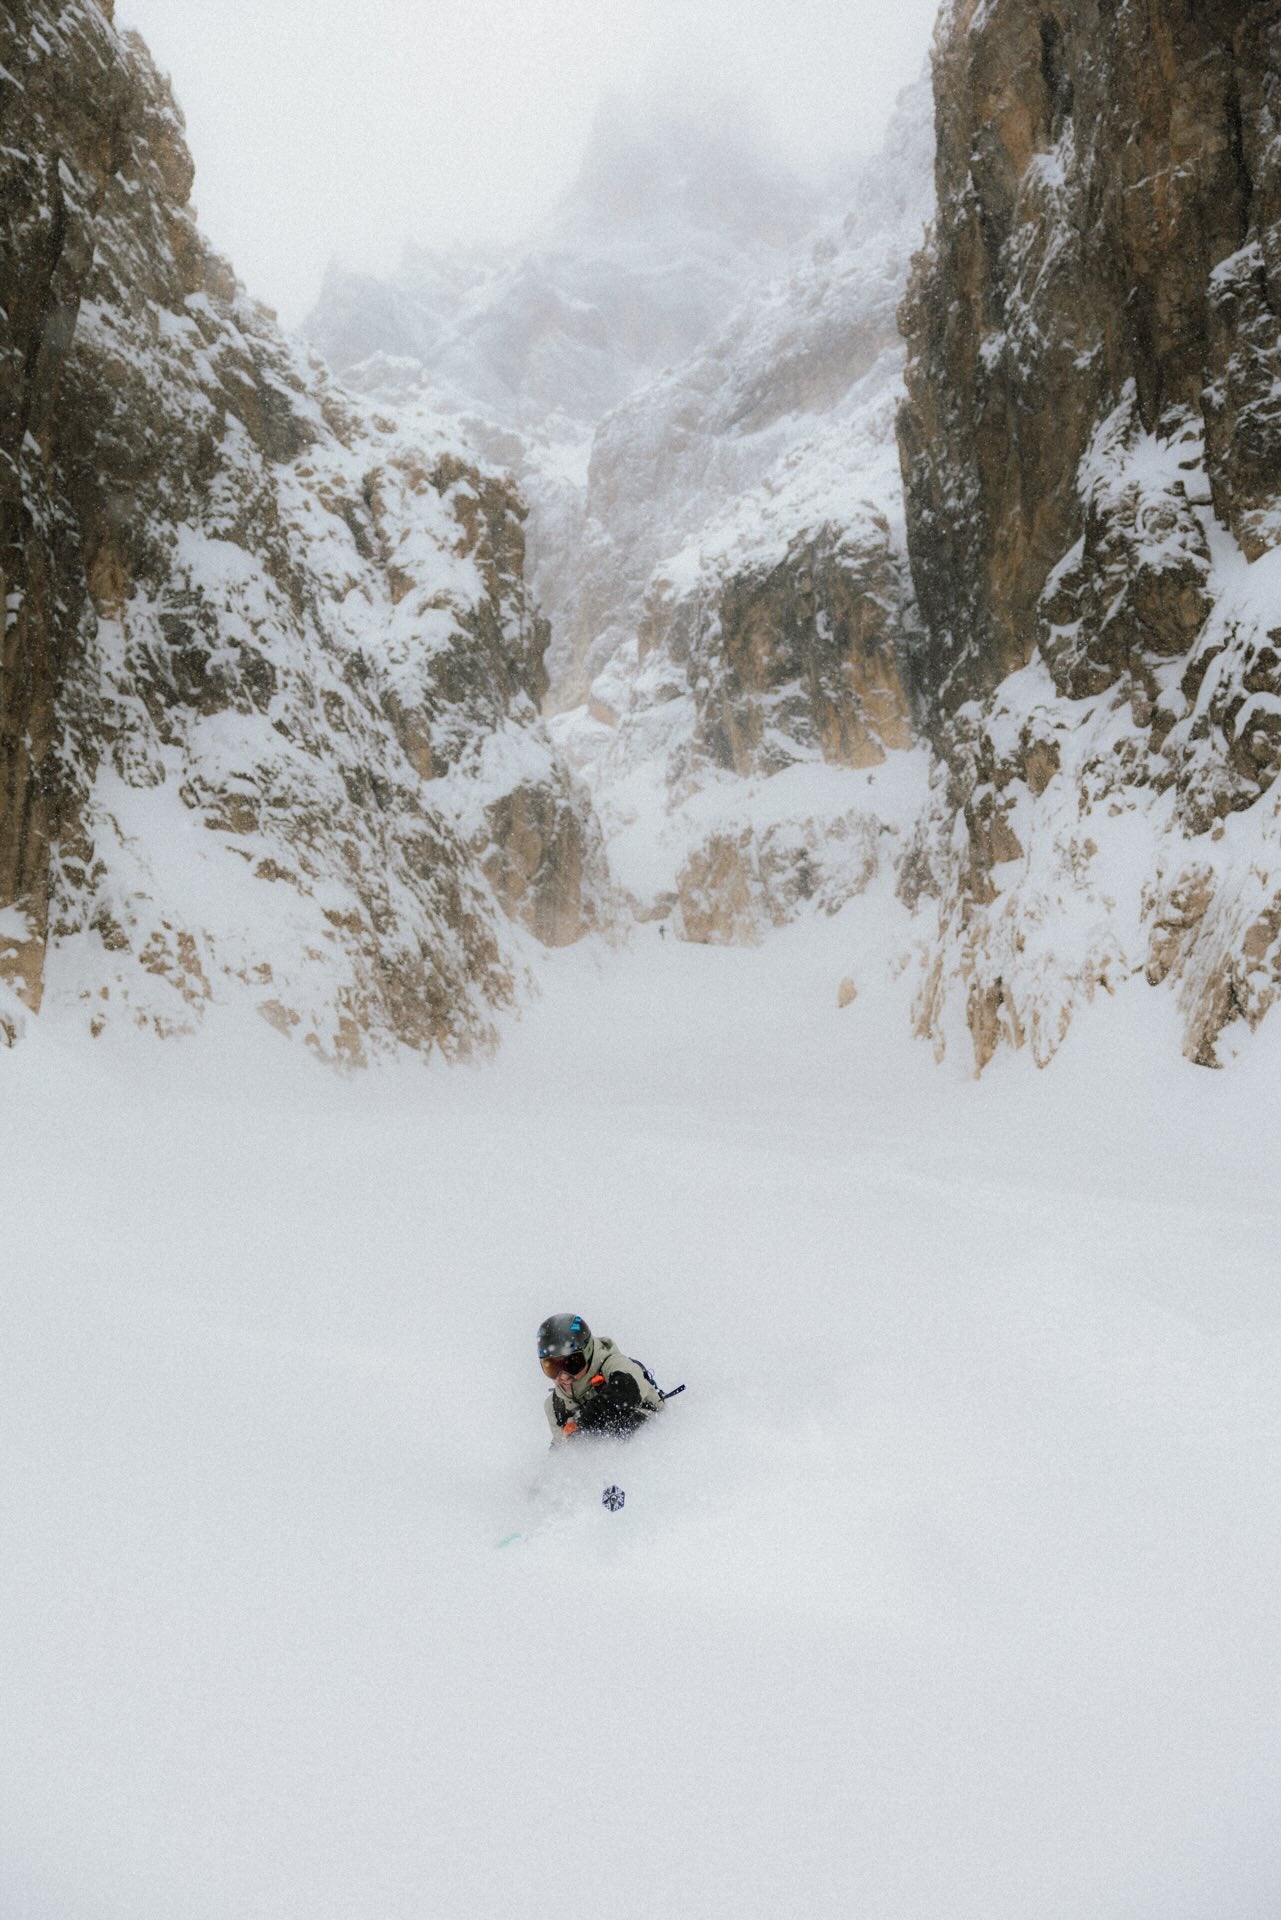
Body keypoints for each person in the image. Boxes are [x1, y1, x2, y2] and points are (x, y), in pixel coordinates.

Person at [537, 1312, 664, 1443]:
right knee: (579, 1443)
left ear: (588, 1352)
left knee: (617, 1425)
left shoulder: (615, 1364)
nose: (563, 1376)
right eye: (552, 1367)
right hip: (607, 1459)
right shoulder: (555, 1406)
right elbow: (562, 1452)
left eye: (572, 1364)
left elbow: (627, 1390)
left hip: (654, 1439)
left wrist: (581, 1422)